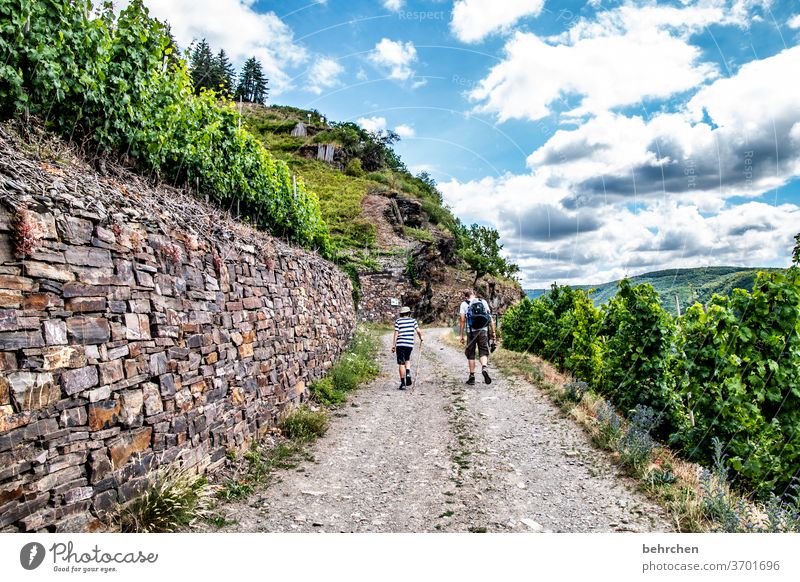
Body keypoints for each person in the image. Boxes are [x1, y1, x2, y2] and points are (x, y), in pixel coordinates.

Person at [459, 289, 496, 385]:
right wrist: (493, 332)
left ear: (466, 296)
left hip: (471, 332)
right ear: (474, 295)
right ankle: (484, 367)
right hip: (483, 330)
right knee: (483, 351)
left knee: (471, 354)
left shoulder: (464, 304)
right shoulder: (483, 301)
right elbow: (490, 317)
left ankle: (472, 377)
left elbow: (462, 320)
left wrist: (461, 335)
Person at [391, 306, 424, 390]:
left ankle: (402, 384)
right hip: (409, 344)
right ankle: (408, 372)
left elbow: (396, 334)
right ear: (409, 313)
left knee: (401, 363)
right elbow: (418, 331)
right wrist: (421, 338)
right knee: (407, 359)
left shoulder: (398, 321)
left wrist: (393, 345)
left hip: (400, 344)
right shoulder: (413, 321)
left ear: (401, 314)